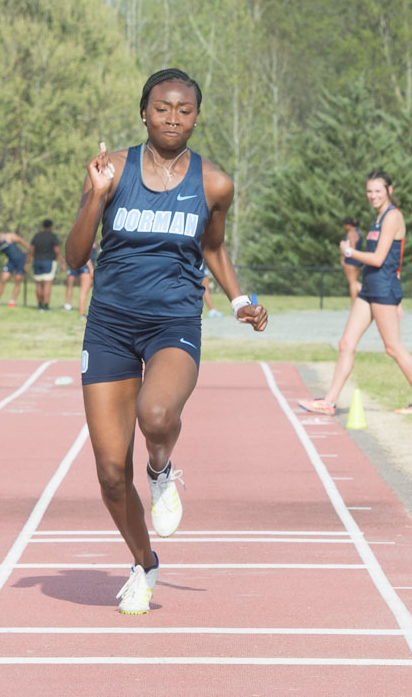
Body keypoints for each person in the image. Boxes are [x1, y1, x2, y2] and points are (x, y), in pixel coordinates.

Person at [65, 68, 268, 615]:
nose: (172, 117)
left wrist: (239, 299)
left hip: (173, 321)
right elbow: (74, 257)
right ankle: (145, 563)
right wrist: (97, 195)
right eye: (162, 108)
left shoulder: (214, 183)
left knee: (156, 415)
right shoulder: (112, 170)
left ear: (197, 116)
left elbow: (214, 247)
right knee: (109, 474)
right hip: (108, 324)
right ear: (144, 112)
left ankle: (161, 472)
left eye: (184, 109)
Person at [299, 171, 412, 417]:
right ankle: (329, 402)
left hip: (383, 288)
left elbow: (380, 258)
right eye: (369, 191)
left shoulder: (392, 217)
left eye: (378, 191)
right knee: (346, 343)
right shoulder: (379, 216)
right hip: (370, 286)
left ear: (390, 190)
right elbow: (393, 258)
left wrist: (349, 252)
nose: (373, 195)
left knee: (392, 347)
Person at [30, 219, 65, 311]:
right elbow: (57, 250)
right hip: (48, 262)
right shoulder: (52, 236)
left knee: (38, 284)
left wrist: (27, 262)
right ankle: (45, 306)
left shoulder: (37, 236)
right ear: (51, 227)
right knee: (47, 285)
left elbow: (31, 250)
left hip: (37, 261)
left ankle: (40, 305)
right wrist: (63, 263)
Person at [63, 244, 96, 316]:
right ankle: (82, 313)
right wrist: (91, 269)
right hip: (85, 266)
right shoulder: (88, 239)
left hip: (77, 264)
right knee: (84, 291)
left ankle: (68, 305)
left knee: (72, 286)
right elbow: (86, 256)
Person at [341, 216, 362, 301]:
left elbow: (351, 247)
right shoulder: (359, 232)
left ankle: (353, 304)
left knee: (352, 283)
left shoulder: (351, 233)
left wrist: (343, 258)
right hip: (358, 259)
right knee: (354, 281)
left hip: (351, 260)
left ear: (348, 225)